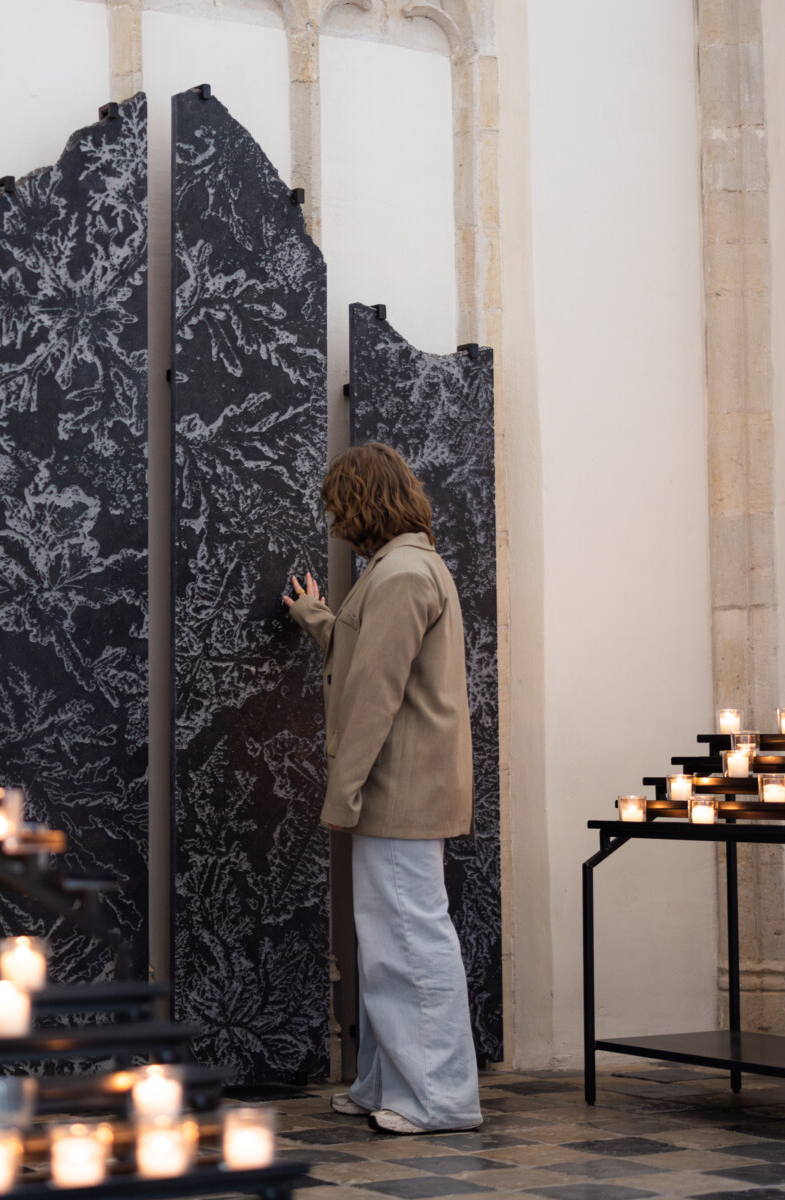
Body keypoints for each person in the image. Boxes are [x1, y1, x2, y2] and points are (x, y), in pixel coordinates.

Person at [284, 442, 481, 1135]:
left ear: (362, 500)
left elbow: (374, 693)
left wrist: (343, 794)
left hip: (398, 787)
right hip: (403, 785)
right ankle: (388, 1082)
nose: (335, 517)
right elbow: (367, 656)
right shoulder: (404, 566)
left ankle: (440, 1098)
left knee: (409, 938)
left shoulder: (398, 573)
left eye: (340, 502)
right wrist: (317, 617)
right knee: (390, 935)